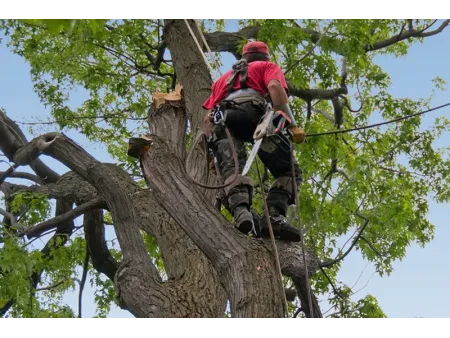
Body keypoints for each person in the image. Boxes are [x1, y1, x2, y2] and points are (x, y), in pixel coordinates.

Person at [202, 41, 304, 242]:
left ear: (244, 58)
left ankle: (241, 212)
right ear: (265, 57)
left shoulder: (222, 80)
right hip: (254, 118)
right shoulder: (267, 67)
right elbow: (275, 87)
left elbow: (206, 119)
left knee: (233, 168)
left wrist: (212, 153)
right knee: (289, 171)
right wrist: (291, 125)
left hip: (222, 123)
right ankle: (272, 218)